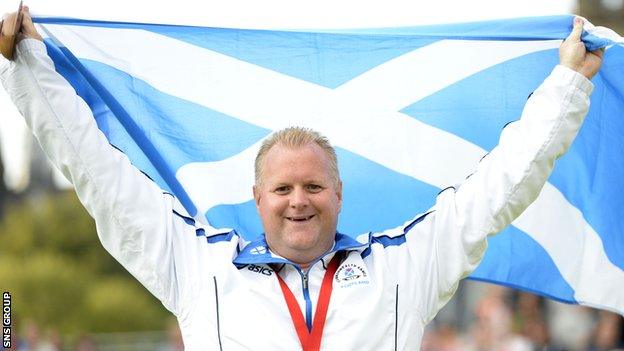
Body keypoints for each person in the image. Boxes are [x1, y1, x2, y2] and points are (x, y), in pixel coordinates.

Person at [0, 7, 604, 350]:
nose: (298, 201)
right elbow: (99, 174)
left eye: (313, 186)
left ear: (339, 195)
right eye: (283, 188)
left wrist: (569, 85)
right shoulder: (197, 265)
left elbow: (496, 191)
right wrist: (24, 66)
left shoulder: (402, 267)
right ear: (256, 199)